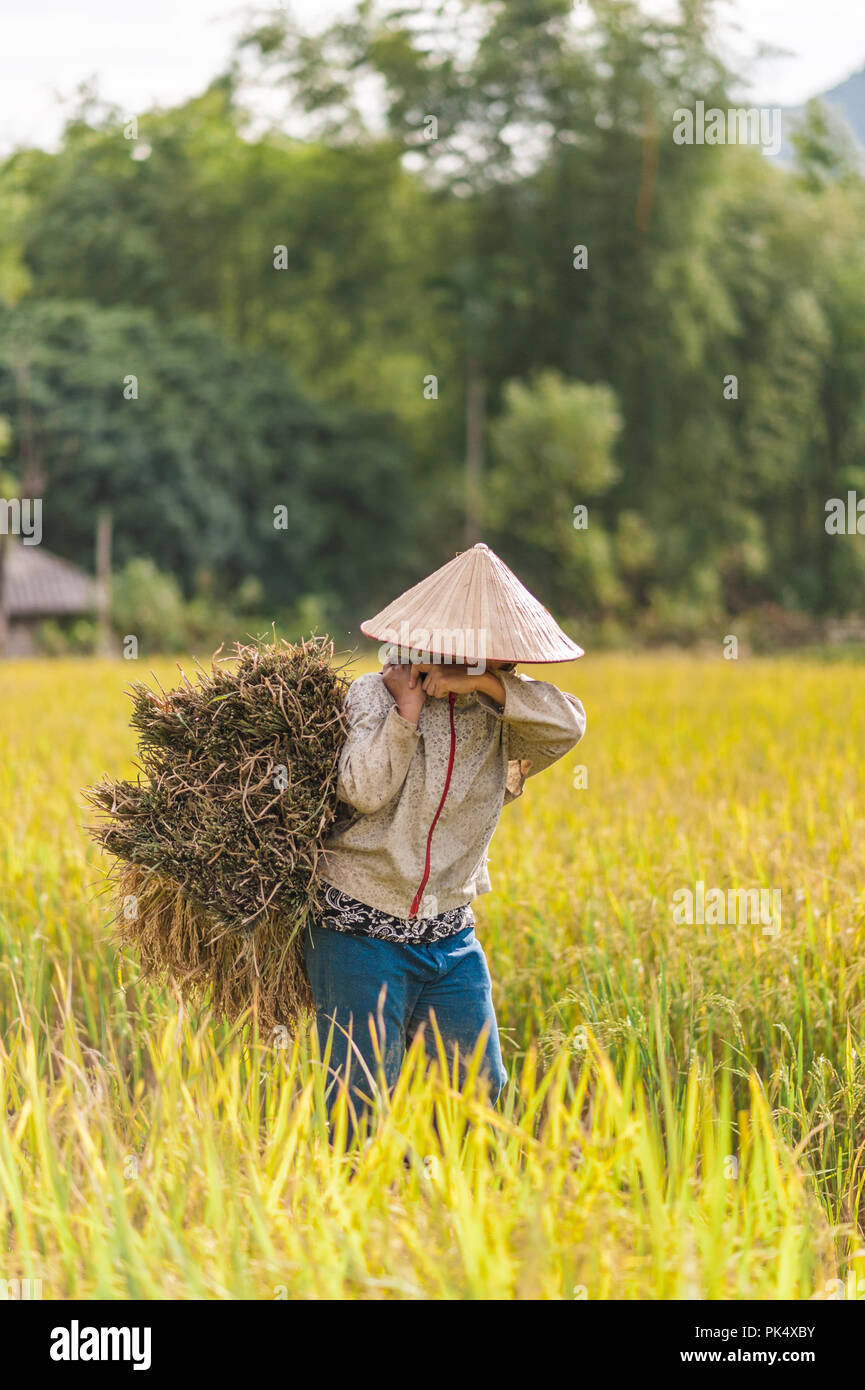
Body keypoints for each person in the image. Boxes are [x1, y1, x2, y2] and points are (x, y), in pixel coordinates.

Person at [302, 542, 586, 1143]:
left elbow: (569, 725)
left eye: (493, 657)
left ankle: (456, 1225)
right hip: (360, 933)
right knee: (358, 1116)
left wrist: (479, 684)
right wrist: (407, 712)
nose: (490, 661)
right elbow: (362, 788)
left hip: (449, 939)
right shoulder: (372, 695)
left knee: (480, 1104)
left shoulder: (502, 711)